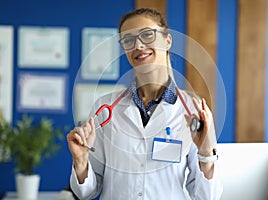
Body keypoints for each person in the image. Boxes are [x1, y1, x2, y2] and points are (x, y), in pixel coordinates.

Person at [67, 8, 223, 200]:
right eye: (128, 40)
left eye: (147, 35)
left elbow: (207, 197)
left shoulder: (194, 111)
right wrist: (81, 160)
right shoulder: (105, 108)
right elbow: (87, 192)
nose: (138, 45)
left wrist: (206, 154)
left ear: (168, 40)